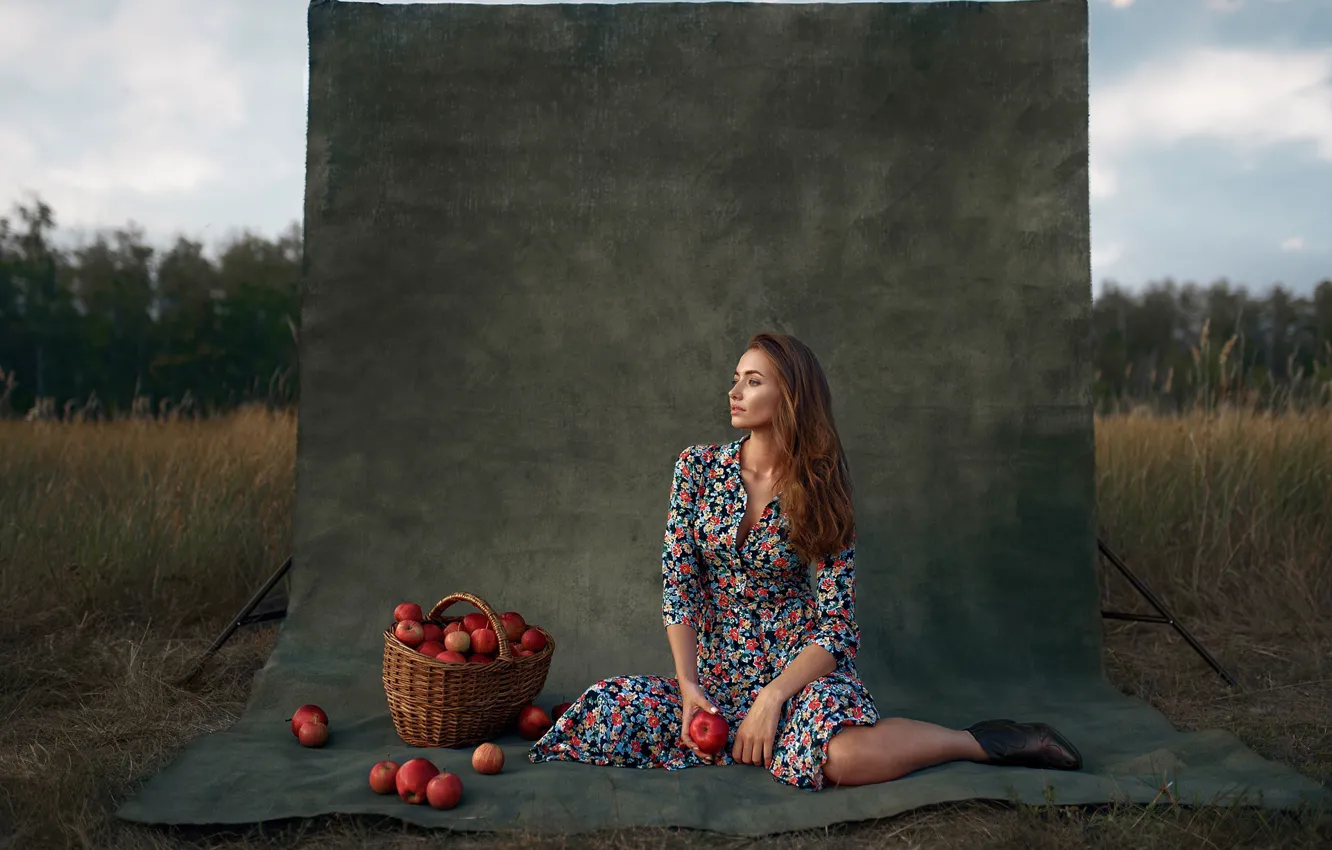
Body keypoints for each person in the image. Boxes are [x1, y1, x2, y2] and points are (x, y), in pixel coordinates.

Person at [528, 332, 1081, 790]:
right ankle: (746, 726)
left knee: (839, 760)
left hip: (800, 673)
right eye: (735, 377)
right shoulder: (695, 469)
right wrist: (688, 684)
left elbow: (837, 624)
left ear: (790, 396)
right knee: (605, 712)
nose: (734, 391)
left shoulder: (819, 487)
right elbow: (679, 586)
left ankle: (981, 741)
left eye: (753, 380)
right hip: (717, 675)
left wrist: (773, 698)